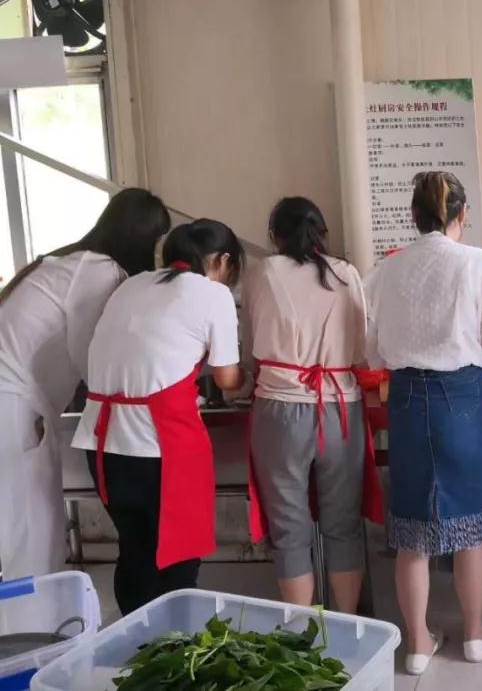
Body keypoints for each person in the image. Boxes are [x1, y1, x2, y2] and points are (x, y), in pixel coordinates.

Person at [365, 171, 482, 675]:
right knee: (469, 522)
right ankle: (472, 635)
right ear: (462, 214)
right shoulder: (479, 264)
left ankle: (418, 645)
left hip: (406, 394)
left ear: (413, 215)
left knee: (412, 528)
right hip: (463, 394)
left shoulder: (386, 270)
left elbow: (373, 351)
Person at [71, 219, 246, 615]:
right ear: (222, 261)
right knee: (175, 561)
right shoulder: (213, 294)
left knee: (135, 552)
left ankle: (134, 643)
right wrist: (249, 379)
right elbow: (227, 379)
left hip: (102, 444)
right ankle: (173, 644)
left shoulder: (131, 285)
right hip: (157, 445)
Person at [0, 188, 170, 580]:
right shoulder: (99, 272)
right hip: (13, 407)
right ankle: (31, 619)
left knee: (25, 531)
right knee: (31, 537)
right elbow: (96, 360)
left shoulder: (67, 262)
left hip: (17, 402)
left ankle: (31, 615)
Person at [242, 196, 380, 613]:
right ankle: (347, 623)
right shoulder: (346, 273)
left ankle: (302, 629)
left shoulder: (262, 272)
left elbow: (250, 348)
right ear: (323, 232)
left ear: (274, 236)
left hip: (279, 409)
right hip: (340, 407)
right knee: (344, 525)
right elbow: (362, 351)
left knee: (289, 529)